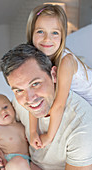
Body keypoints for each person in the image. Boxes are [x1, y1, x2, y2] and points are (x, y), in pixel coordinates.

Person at [0, 43, 92, 170]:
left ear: (54, 75)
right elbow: (4, 131)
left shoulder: (81, 122)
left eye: (35, 84)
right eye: (19, 90)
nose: (30, 98)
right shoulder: (20, 103)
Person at [26, 4, 92, 149]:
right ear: (31, 33)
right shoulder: (34, 61)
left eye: (54, 33)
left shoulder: (65, 62)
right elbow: (33, 95)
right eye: (40, 31)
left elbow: (59, 104)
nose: (47, 39)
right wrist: (33, 131)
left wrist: (49, 136)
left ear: (63, 35)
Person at [0, 94, 31, 170]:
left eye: (5, 107)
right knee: (18, 162)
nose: (3, 111)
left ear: (12, 106)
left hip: (28, 162)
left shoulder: (22, 125)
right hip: (9, 162)